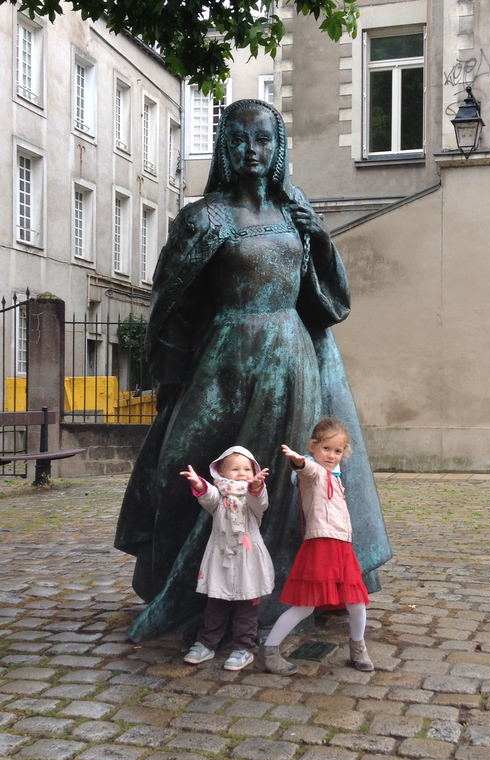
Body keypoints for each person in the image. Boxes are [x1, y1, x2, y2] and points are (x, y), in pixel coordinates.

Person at [114, 99, 392, 643]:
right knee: (181, 465)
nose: (251, 150)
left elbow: (332, 302)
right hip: (222, 358)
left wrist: (320, 238)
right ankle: (182, 586)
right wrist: (171, 373)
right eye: (239, 139)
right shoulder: (204, 216)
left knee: (288, 486)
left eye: (263, 139)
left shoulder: (295, 212)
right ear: (225, 146)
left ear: (278, 146)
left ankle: (287, 592)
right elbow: (170, 298)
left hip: (290, 358)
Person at [258, 417, 373, 675]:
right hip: (320, 546)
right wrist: (298, 460)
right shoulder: (313, 473)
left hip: (342, 547)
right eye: (326, 449)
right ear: (313, 447)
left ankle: (358, 647)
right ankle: (270, 650)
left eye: (337, 451)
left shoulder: (336, 477)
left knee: (356, 602)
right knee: (305, 605)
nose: (331, 455)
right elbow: (305, 469)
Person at [180, 446, 273, 670]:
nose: (241, 473)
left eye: (246, 469)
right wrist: (198, 483)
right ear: (221, 472)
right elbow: (208, 495)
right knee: (216, 603)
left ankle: (244, 647)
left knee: (247, 606)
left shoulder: (252, 497)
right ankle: (207, 643)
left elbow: (260, 503)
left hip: (247, 559)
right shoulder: (219, 497)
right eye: (235, 469)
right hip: (221, 556)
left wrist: (258, 487)